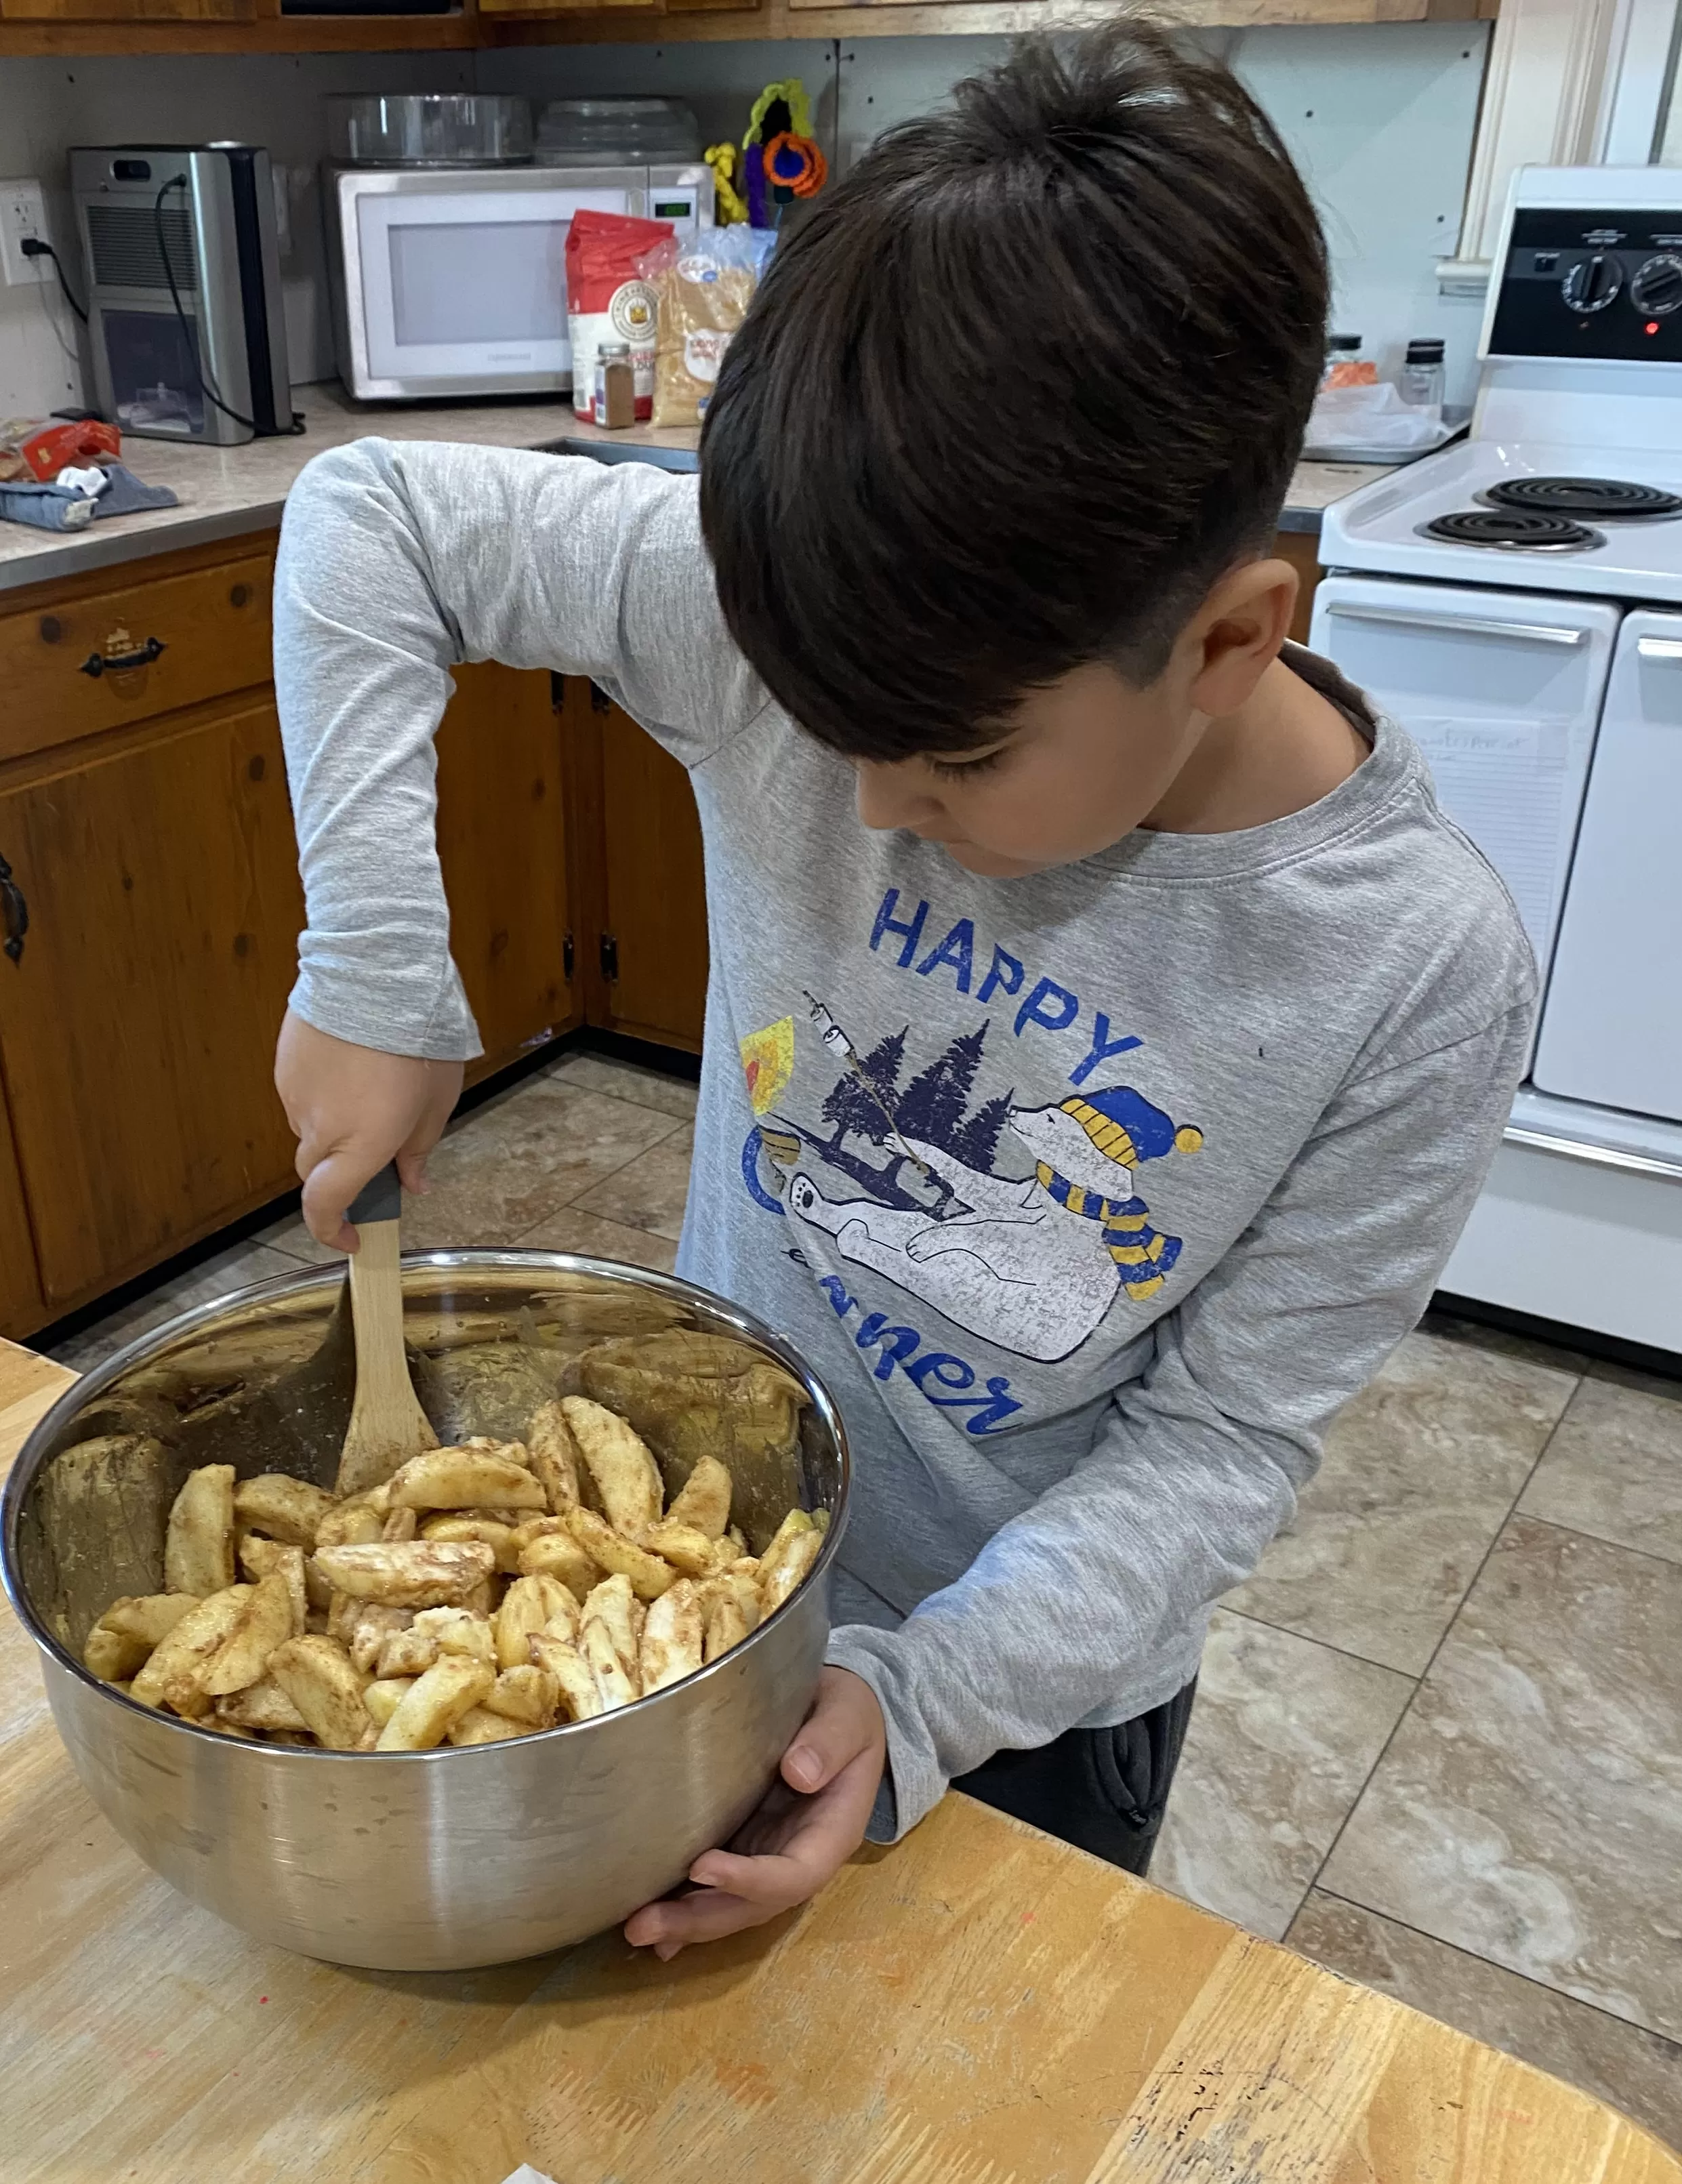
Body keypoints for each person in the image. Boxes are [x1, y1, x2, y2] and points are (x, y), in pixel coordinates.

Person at [272, 22, 1532, 1958]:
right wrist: (376, 961)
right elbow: (370, 517)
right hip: (683, 1610)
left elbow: (1222, 1443)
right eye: (832, 735)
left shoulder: (1410, 971)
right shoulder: (814, 618)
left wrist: (923, 1695)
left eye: (947, 768)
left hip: (1024, 1713)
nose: (867, 805)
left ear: (1231, 636)